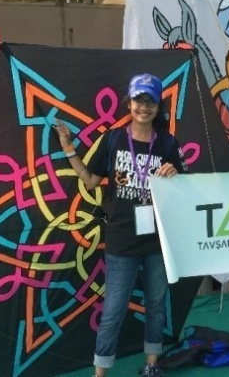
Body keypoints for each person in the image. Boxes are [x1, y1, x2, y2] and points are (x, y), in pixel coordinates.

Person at [54, 73, 188, 377]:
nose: (144, 107)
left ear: (158, 106)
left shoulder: (167, 143)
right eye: (139, 100)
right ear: (129, 103)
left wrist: (176, 176)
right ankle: (100, 372)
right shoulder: (113, 139)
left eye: (150, 101)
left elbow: (186, 190)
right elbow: (91, 180)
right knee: (113, 310)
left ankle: (151, 365)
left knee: (156, 304)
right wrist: (68, 147)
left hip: (158, 240)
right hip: (121, 240)